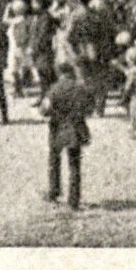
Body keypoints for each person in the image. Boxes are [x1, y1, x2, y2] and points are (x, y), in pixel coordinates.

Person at [41, 60, 92, 209]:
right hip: (75, 128)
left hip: (57, 129)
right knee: (75, 164)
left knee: (54, 160)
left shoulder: (54, 89)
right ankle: (74, 199)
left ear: (59, 73)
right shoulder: (80, 89)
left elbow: (44, 110)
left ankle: (54, 191)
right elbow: (89, 108)